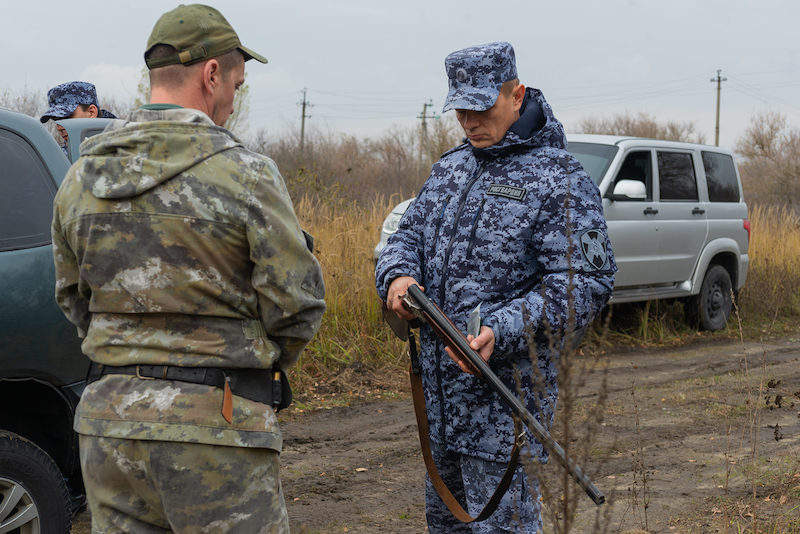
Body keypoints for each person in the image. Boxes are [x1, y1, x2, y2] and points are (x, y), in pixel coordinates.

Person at [52, 4, 325, 532]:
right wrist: (249, 367)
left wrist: (125, 352)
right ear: (212, 74)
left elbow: (71, 297)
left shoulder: (81, 175)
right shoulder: (246, 174)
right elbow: (297, 305)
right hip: (218, 428)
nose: (232, 102)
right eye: (236, 86)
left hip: (110, 429)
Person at [376, 42, 616, 533]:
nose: (469, 121)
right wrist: (397, 276)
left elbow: (586, 285)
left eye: (481, 107)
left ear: (516, 95)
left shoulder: (560, 179)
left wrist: (500, 330)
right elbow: (406, 236)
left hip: (505, 414)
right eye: (460, 109)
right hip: (441, 414)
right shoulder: (449, 169)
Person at [40, 81, 117, 154]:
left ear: (91, 113)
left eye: (67, 117)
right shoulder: (61, 157)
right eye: (56, 121)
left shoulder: (124, 149)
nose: (59, 127)